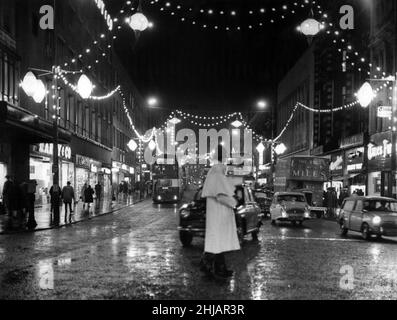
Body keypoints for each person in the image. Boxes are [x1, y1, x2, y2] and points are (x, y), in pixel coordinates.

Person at [201, 147, 240, 278]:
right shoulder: (218, 172)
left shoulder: (215, 172)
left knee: (217, 244)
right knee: (217, 242)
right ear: (223, 157)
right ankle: (210, 266)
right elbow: (221, 195)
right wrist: (234, 202)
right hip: (219, 216)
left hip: (217, 216)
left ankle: (219, 268)